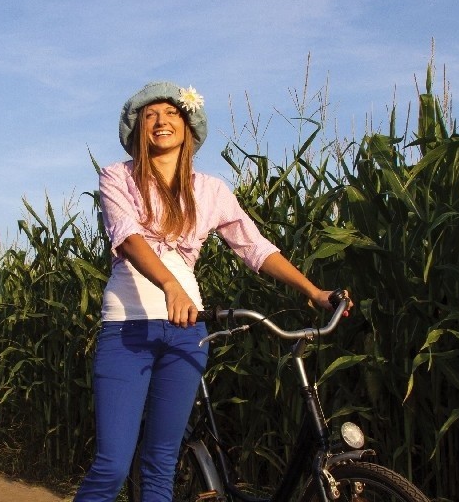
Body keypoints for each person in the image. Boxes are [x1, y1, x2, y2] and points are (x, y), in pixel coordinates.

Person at [74, 81, 351, 502]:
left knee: (161, 464)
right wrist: (169, 285)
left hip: (189, 332)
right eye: (149, 115)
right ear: (136, 130)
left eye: (170, 113)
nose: (160, 121)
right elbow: (128, 237)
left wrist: (312, 291)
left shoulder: (210, 189)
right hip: (127, 330)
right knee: (113, 465)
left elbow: (253, 246)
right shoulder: (117, 176)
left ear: (188, 127)